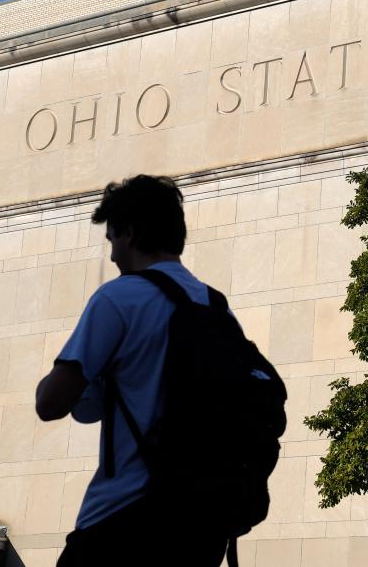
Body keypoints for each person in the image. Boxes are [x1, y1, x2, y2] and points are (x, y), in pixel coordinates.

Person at [35, 174, 228, 566]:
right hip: (200, 526)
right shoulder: (213, 304)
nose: (112, 257)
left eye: (112, 241)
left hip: (123, 518)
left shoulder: (119, 297)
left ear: (132, 233)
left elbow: (51, 403)